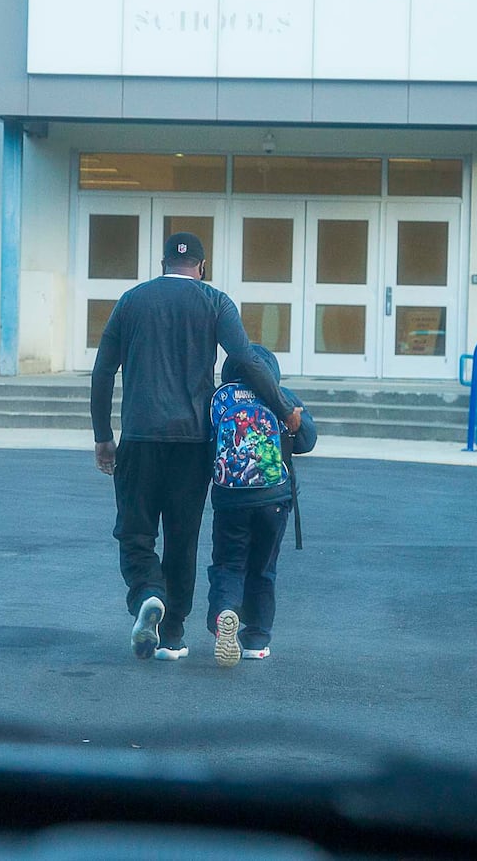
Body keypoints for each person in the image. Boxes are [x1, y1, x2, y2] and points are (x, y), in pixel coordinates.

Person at [92, 232, 302, 663]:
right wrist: (283, 408)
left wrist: (102, 436)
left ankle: (148, 594)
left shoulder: (132, 300)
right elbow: (246, 361)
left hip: (140, 437)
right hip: (193, 444)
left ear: (163, 261)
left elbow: (102, 372)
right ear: (201, 267)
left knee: (135, 532)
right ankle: (172, 637)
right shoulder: (215, 302)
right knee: (182, 538)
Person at [206, 344, 317, 668]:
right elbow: (307, 440)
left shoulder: (220, 400)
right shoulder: (282, 397)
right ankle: (256, 639)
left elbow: (206, 447)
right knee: (263, 569)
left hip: (230, 499)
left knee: (229, 564)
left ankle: (226, 611)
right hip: (274, 499)